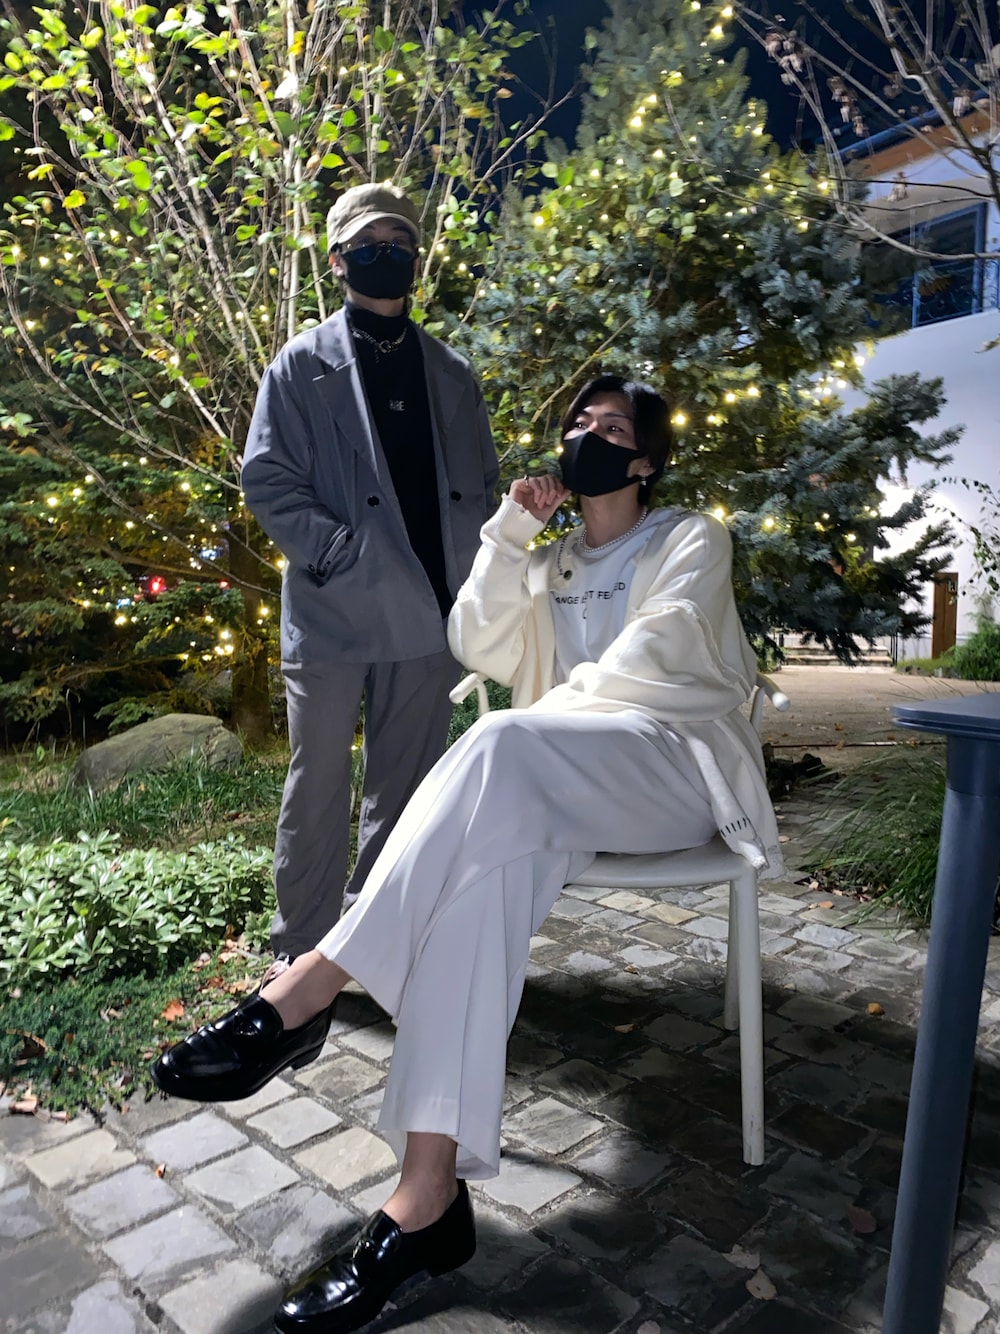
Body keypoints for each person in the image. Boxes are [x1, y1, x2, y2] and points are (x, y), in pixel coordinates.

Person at [152, 374, 782, 1334]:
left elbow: (661, 655)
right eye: (578, 423)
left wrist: (541, 727)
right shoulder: (551, 560)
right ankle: (426, 1202)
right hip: (549, 784)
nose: (589, 436)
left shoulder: (688, 538)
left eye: (613, 428)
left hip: (673, 771)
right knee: (478, 887)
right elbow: (475, 642)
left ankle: (312, 981)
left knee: (501, 741)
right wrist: (509, 535)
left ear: (647, 461)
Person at [240, 181, 499, 967]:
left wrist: (469, 580)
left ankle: (371, 941)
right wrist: (338, 552)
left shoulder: (450, 371)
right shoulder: (300, 366)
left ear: (416, 258)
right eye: (369, 244)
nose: (386, 255)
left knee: (408, 794)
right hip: (333, 612)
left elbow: (481, 485)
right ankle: (301, 949)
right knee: (316, 786)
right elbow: (267, 477)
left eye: (399, 243)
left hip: (428, 617)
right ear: (337, 259)